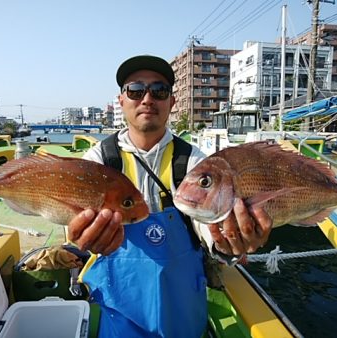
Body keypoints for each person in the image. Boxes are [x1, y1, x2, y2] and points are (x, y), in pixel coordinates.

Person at [68, 55, 272, 337]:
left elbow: (208, 225)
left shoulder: (194, 162)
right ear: (122, 100)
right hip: (119, 314)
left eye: (159, 90)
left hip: (183, 313)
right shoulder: (98, 161)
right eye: (136, 90)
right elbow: (75, 217)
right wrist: (79, 235)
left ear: (172, 102)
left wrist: (229, 242)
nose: (147, 98)